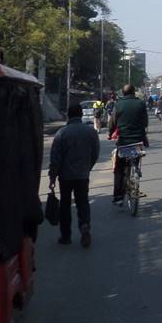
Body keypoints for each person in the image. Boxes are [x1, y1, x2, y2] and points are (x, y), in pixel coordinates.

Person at [49, 103, 100, 247]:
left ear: (68, 115)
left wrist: (52, 177)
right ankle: (84, 225)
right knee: (82, 202)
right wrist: (87, 167)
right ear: (81, 115)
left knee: (65, 205)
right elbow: (95, 153)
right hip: (83, 175)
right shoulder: (90, 132)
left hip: (65, 177)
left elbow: (55, 158)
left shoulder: (62, 133)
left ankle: (65, 236)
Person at [109, 83, 149, 205]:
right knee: (135, 162)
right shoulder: (141, 104)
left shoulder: (118, 104)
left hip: (124, 142)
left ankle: (118, 196)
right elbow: (145, 122)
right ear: (133, 92)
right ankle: (135, 173)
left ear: (123, 93)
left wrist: (110, 133)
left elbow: (113, 122)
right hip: (138, 141)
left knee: (119, 169)